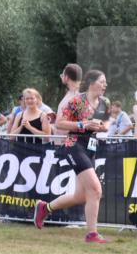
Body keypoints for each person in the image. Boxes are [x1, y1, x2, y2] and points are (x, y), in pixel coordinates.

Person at [34, 70, 110, 243]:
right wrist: (84, 124)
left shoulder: (104, 102)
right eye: (102, 81)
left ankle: (45, 207)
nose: (105, 85)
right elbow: (60, 123)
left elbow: (106, 123)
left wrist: (102, 127)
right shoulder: (77, 101)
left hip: (90, 147)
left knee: (81, 196)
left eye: (105, 82)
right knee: (96, 190)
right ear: (92, 82)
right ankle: (92, 234)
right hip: (74, 145)